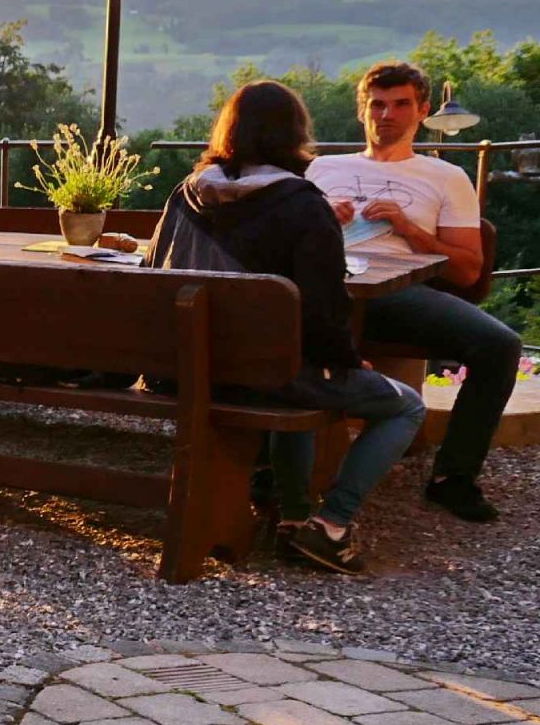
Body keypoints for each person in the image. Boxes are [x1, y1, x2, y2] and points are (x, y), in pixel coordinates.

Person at [145, 81, 425, 574]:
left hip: (183, 370)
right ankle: (331, 526)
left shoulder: (185, 195)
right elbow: (322, 312)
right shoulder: (303, 204)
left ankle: (294, 518)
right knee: (404, 406)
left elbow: (151, 277)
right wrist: (346, 359)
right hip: (267, 374)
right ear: (295, 134)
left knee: (296, 372)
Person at [307, 61, 516, 523]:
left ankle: (453, 478)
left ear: (422, 110)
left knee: (500, 345)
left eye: (401, 104)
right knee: (262, 311)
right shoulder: (323, 167)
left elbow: (467, 270)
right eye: (377, 105)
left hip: (396, 296)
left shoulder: (445, 177)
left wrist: (408, 228)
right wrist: (324, 222)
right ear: (363, 110)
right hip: (323, 292)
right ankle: (273, 470)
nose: (388, 115)